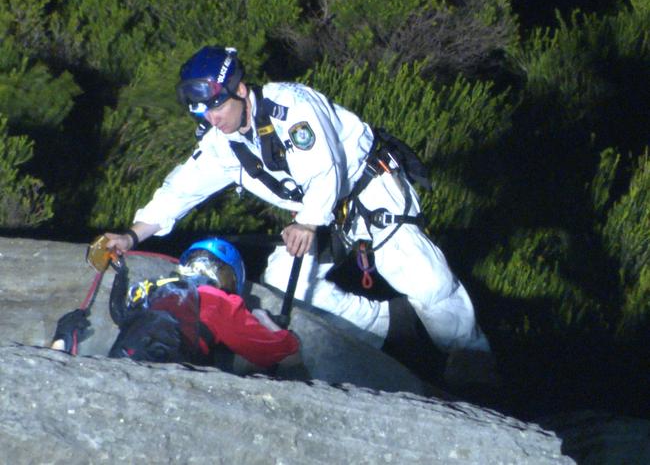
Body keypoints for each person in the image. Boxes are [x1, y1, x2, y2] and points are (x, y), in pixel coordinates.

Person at [103, 45, 498, 388]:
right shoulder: (221, 144)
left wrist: (308, 221)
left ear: (240, 90)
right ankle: (388, 325)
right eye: (203, 112)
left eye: (218, 106)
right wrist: (132, 237)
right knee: (280, 281)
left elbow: (325, 169)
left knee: (428, 281)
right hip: (317, 214)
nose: (212, 118)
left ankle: (474, 369)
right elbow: (178, 191)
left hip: (367, 190)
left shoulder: (292, 107)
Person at [52, 237, 302, 374]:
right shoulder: (219, 302)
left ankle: (61, 342)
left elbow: (123, 317)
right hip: (172, 368)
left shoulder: (154, 288)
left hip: (123, 358)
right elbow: (276, 350)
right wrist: (266, 320)